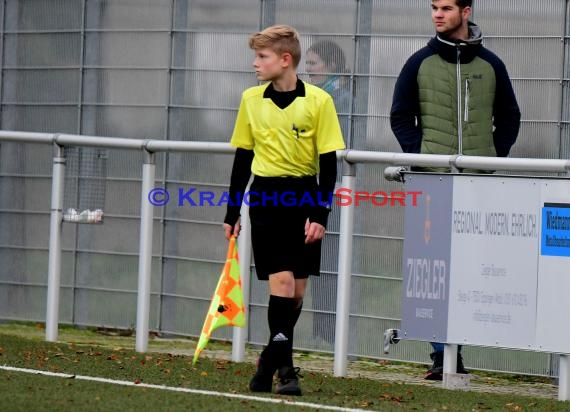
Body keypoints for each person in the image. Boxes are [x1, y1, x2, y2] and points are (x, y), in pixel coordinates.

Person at [390, 0, 520, 380]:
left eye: (446, 7)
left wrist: (493, 156)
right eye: (433, 7)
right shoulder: (418, 62)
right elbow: (400, 116)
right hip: (432, 182)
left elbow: (510, 116)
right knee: (435, 270)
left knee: (473, 268)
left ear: (466, 11)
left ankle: (459, 347)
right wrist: (421, 155)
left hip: (479, 183)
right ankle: (441, 356)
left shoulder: (492, 64)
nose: (437, 14)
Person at [223, 25, 346, 395]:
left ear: (285, 60)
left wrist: (320, 213)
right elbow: (243, 159)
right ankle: (287, 371)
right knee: (282, 282)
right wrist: (232, 213)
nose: (255, 64)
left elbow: (328, 164)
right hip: (266, 199)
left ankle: (266, 362)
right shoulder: (250, 100)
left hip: (304, 198)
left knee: (296, 293)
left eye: (262, 57)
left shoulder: (319, 102)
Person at [305, 40, 351, 346]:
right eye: (306, 63)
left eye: (314, 63)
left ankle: (335, 335)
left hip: (337, 194)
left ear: (332, 66)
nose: (308, 69)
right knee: (312, 262)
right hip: (310, 189)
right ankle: (321, 332)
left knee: (334, 262)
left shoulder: (343, 99)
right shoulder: (310, 98)